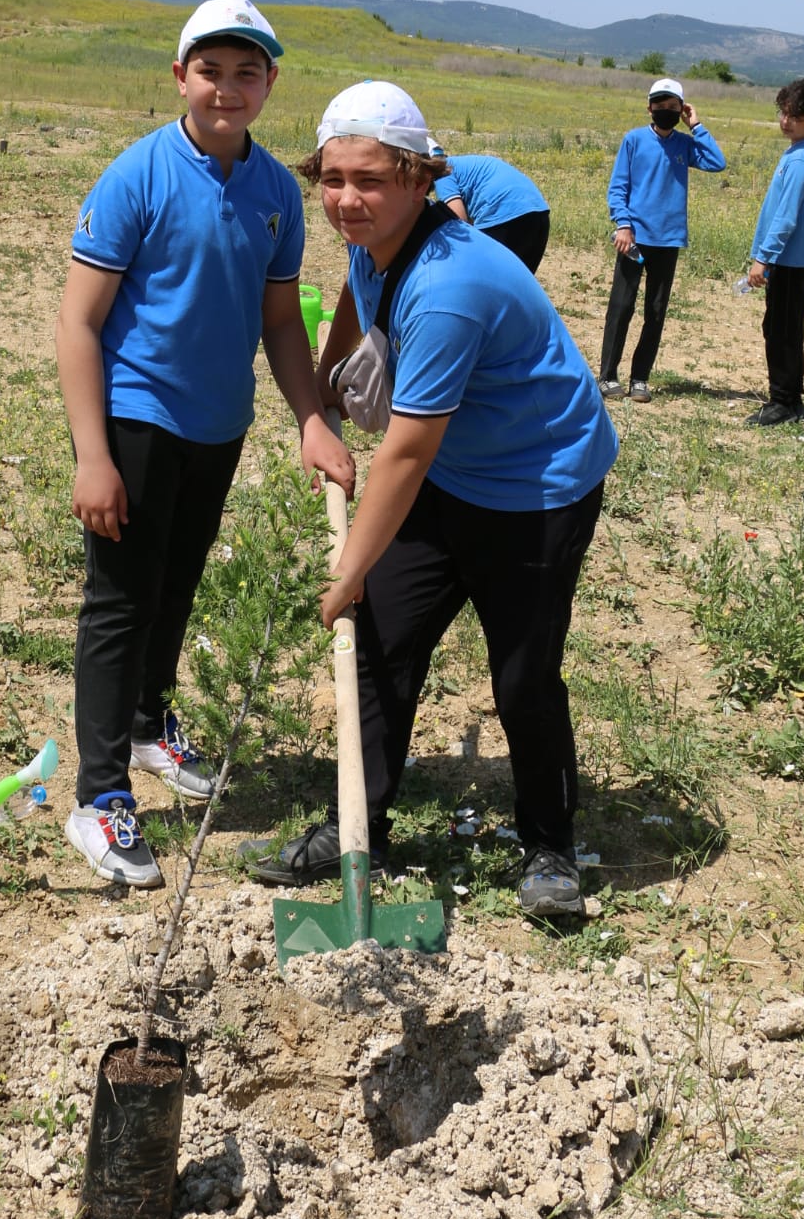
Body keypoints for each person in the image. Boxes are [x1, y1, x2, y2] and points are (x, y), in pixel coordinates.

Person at [250, 80, 619, 920]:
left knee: (523, 673)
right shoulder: (372, 238)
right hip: (458, 471)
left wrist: (347, 568)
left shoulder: (452, 285)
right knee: (381, 638)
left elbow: (407, 451)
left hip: (538, 485)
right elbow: (352, 298)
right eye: (333, 177)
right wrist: (325, 393)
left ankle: (550, 847)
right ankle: (358, 829)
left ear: (421, 179)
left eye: (371, 179)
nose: (347, 199)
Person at [54, 0, 354, 889]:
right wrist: (93, 455)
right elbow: (78, 323)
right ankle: (99, 795)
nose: (228, 88)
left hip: (217, 425)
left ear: (269, 84)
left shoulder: (272, 192)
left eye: (247, 72)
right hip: (137, 421)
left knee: (176, 581)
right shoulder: (137, 176)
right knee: (119, 602)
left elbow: (280, 322)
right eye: (210, 70)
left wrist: (310, 417)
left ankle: (148, 727)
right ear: (180, 76)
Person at [598, 79, 726, 402]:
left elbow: (717, 162)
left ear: (681, 110)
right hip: (635, 239)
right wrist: (623, 225)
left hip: (668, 240)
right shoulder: (634, 140)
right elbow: (618, 187)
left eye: (673, 107)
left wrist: (696, 126)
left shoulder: (685, 144)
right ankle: (608, 375)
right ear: (649, 107)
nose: (665, 112)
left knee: (655, 311)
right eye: (660, 105)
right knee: (621, 306)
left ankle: (640, 378)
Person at [744, 76, 804, 426]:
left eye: (795, 116)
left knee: (780, 329)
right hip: (797, 259)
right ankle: (792, 398)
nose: (785, 121)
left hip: (789, 260)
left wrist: (763, 258)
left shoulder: (799, 162)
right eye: (783, 112)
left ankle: (782, 402)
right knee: (786, 327)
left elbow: (785, 218)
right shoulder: (801, 152)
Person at [432, 152, 551, 271]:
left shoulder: (443, 172)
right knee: (520, 285)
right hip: (539, 212)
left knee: (480, 278)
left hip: (505, 215)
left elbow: (459, 222)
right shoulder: (465, 164)